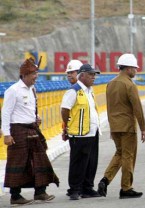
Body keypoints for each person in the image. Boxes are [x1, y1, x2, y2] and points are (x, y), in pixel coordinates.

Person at [1, 58, 59, 206]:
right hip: (17, 131)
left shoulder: (32, 89)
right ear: (25, 75)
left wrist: (36, 117)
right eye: (34, 74)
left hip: (32, 129)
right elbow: (6, 113)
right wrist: (6, 134)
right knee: (18, 162)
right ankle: (15, 196)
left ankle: (40, 192)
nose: (36, 76)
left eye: (37, 73)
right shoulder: (12, 91)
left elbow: (28, 109)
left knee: (40, 159)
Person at [97, 53, 145, 199]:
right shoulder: (129, 85)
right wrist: (143, 128)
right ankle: (126, 188)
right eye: (135, 68)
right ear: (128, 69)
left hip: (114, 126)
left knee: (120, 153)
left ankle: (105, 179)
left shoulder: (110, 84)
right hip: (127, 127)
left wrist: (112, 126)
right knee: (128, 157)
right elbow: (138, 108)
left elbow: (109, 107)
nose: (136, 71)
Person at [60, 63, 101, 200]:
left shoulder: (90, 91)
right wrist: (68, 126)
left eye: (94, 74)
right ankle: (74, 190)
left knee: (91, 162)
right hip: (79, 133)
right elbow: (65, 109)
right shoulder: (74, 91)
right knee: (78, 163)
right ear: (82, 75)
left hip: (92, 132)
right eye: (91, 74)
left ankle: (87, 188)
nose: (93, 77)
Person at [61, 59, 83, 141]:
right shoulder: (72, 90)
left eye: (72, 72)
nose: (69, 75)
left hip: (84, 132)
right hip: (76, 133)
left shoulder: (86, 89)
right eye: (68, 73)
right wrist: (66, 127)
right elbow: (65, 110)